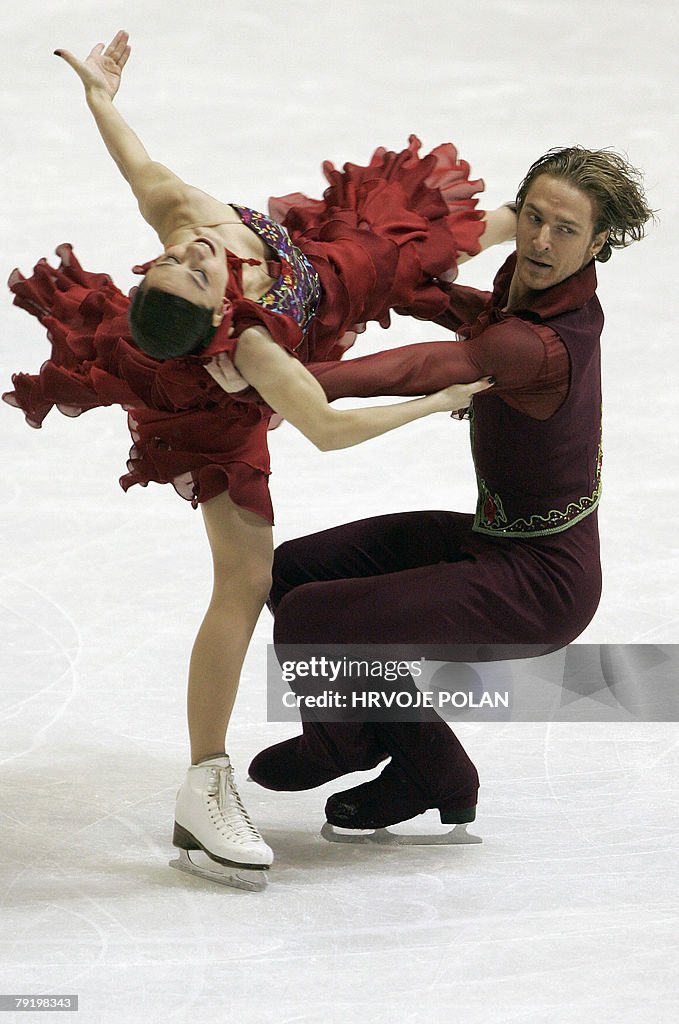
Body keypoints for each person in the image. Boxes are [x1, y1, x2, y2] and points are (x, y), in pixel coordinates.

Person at [4, 31, 515, 887]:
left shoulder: (189, 224)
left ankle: (548, 226)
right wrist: (432, 401)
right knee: (245, 580)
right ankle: (204, 786)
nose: (193, 251)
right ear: (216, 315)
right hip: (214, 413)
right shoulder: (246, 351)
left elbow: (139, 166)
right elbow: (325, 428)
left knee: (417, 241)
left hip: (310, 278)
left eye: (179, 258)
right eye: (192, 270)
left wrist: (101, 97)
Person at [248, 145, 654, 841]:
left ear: (597, 243)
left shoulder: (541, 344)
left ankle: (340, 743)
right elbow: (471, 316)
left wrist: (285, 377)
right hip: (494, 539)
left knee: (315, 623)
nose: (538, 239)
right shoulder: (526, 297)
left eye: (564, 229)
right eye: (532, 217)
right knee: (292, 574)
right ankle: (430, 765)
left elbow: (426, 367)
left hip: (538, 582)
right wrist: (382, 277)